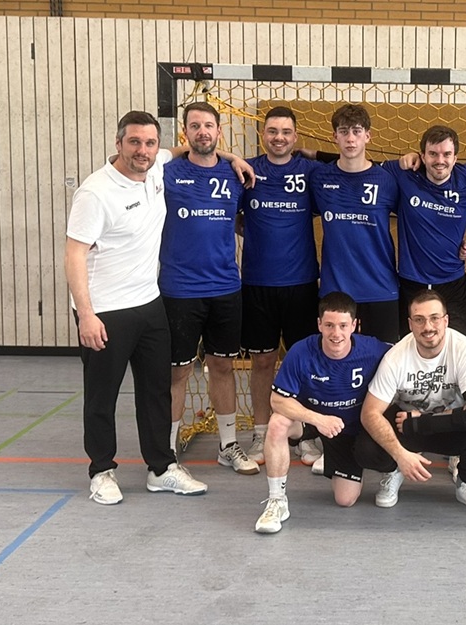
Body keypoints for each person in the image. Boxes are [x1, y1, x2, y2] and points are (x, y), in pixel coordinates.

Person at [64, 110, 208, 504]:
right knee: (102, 396)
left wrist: (229, 157)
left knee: (156, 391)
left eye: (149, 143)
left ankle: (161, 468)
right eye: (134, 142)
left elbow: (181, 149)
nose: (142, 150)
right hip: (105, 310)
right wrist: (86, 314)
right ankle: (101, 471)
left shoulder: (157, 165)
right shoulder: (95, 192)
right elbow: (74, 255)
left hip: (148, 303)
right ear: (118, 144)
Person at [160, 101, 259, 475]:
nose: (202, 132)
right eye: (195, 126)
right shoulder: (167, 171)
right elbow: (118, 159)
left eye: (209, 126)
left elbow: (241, 221)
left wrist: (231, 158)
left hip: (225, 287)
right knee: (178, 372)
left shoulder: (236, 176)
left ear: (219, 130)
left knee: (223, 366)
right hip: (179, 289)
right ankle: (167, 450)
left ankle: (228, 445)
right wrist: (222, 153)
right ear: (185, 132)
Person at [254, 292, 391, 533]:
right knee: (277, 423)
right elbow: (277, 400)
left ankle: (333, 459)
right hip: (313, 421)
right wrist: (318, 419)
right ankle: (277, 501)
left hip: (349, 430)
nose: (336, 334)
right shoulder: (301, 352)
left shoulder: (373, 349)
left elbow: (407, 355)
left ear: (354, 325)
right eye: (329, 325)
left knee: (345, 500)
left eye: (343, 326)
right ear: (319, 324)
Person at [354, 290, 466, 516]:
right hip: (405, 425)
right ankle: (394, 470)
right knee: (365, 449)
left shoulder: (465, 349)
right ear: (410, 324)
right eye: (419, 320)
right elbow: (369, 413)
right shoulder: (396, 357)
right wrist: (400, 455)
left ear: (446, 320)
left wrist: (422, 422)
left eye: (434, 318)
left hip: (443, 425)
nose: (428, 327)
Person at [238, 106, 321, 465]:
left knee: (304, 363)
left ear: (295, 136)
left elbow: (346, 167)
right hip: (257, 283)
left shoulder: (309, 171)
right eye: (272, 131)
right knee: (262, 362)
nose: (279, 138)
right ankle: (261, 434)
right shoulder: (245, 170)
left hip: (301, 283)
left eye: (286, 132)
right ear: (263, 135)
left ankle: (305, 435)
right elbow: (233, 217)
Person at [384, 125, 466, 334]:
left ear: (455, 158)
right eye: (433, 154)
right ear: (422, 156)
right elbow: (363, 167)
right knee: (410, 348)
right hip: (411, 284)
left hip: (453, 285)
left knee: (457, 346)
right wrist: (405, 159)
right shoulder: (405, 174)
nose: (440, 160)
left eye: (446, 154)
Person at [311, 104, 401, 344]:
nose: (350, 138)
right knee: (335, 357)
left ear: (368, 136)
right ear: (335, 136)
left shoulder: (387, 180)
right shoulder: (319, 178)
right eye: (344, 131)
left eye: (357, 131)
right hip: (336, 291)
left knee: (384, 360)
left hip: (380, 288)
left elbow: (416, 219)